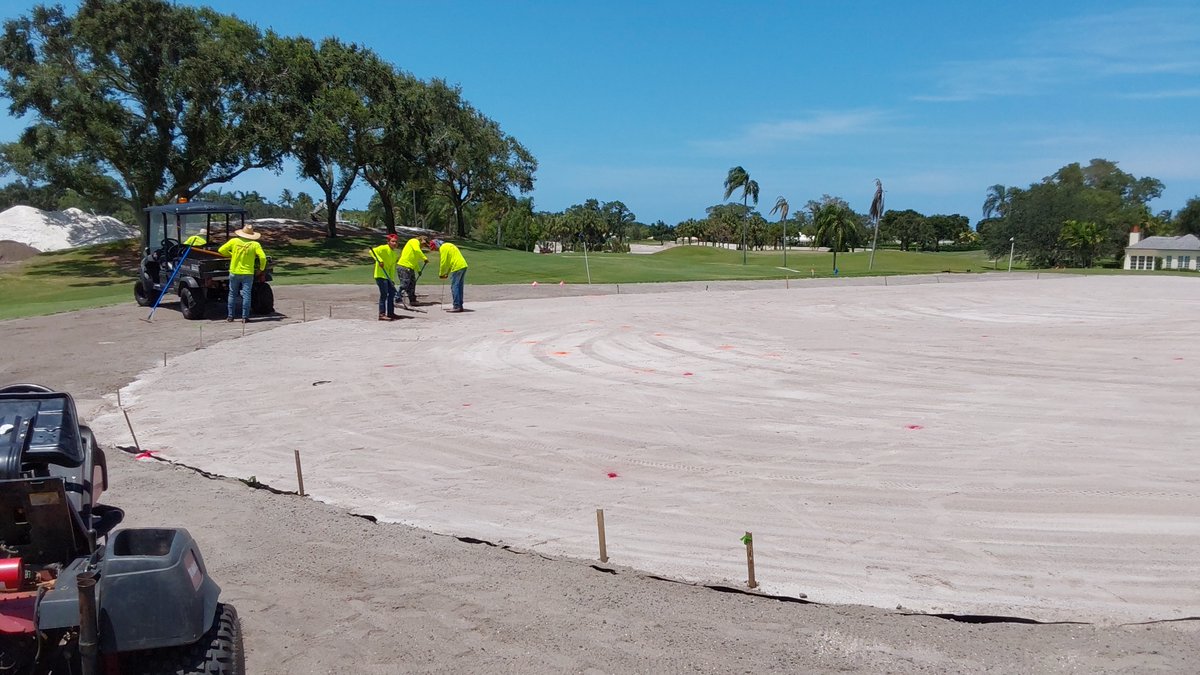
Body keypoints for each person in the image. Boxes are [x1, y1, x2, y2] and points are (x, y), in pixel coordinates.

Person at [218, 224, 266, 323]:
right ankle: (245, 317)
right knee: (246, 294)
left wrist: (231, 254)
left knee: (232, 294)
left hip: (234, 271)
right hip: (248, 273)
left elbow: (221, 250)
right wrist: (261, 268)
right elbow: (262, 257)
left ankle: (230, 316)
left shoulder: (234, 241)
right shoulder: (255, 245)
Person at [369, 234, 402, 321]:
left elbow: (392, 268)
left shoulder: (394, 254)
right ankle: (381, 314)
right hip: (380, 275)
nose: (394, 243)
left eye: (396, 242)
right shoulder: (383, 248)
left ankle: (391, 313)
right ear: (388, 242)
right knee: (384, 294)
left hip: (388, 277)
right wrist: (379, 260)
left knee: (391, 294)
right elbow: (372, 252)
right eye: (393, 241)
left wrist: (392, 280)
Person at [433, 239, 468, 312]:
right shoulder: (449, 245)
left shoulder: (443, 248)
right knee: (459, 286)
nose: (436, 250)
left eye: (435, 249)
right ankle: (460, 305)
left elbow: (443, 262)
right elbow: (449, 262)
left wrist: (441, 274)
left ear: (437, 245)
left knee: (454, 286)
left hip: (457, 267)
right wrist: (447, 273)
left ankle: (456, 306)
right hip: (463, 265)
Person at [395, 235, 428, 307]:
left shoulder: (416, 248)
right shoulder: (414, 241)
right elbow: (417, 250)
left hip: (410, 267)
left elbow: (414, 261)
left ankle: (412, 300)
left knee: (412, 284)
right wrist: (424, 258)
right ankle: (397, 299)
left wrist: (418, 270)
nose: (423, 246)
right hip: (404, 266)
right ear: (422, 241)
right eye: (424, 244)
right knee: (405, 283)